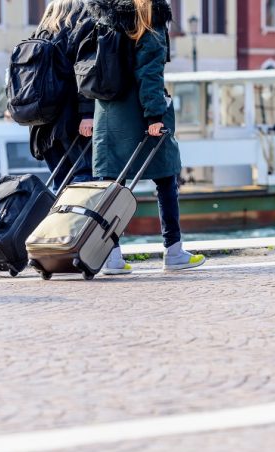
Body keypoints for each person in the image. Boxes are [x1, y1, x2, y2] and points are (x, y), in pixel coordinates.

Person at [85, 0, 206, 273]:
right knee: (166, 177)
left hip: (107, 112)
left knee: (111, 185)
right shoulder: (150, 18)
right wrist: (154, 116)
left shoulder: (103, 19)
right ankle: (173, 251)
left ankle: (111, 256)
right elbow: (150, 72)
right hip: (139, 113)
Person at [29, 0, 95, 190]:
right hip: (69, 121)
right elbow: (86, 75)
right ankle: (82, 220)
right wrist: (87, 114)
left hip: (40, 125)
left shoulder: (37, 37)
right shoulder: (80, 32)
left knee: (61, 182)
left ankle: (62, 218)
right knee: (85, 176)